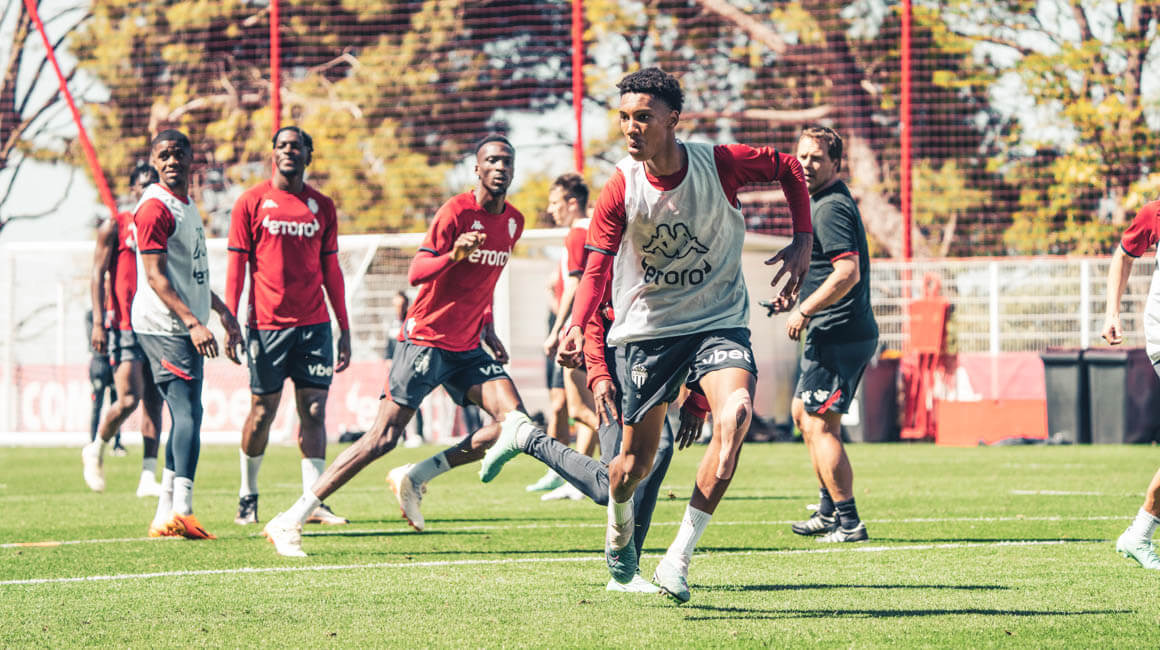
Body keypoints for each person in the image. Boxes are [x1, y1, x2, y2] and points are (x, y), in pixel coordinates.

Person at [556, 67, 813, 603]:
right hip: (649, 331)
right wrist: (578, 325)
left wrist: (803, 238)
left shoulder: (719, 164)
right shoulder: (620, 187)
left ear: (673, 119)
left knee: (736, 415)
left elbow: (789, 167)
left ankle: (677, 559)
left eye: (643, 117)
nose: (631, 128)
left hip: (719, 320)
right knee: (632, 468)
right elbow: (596, 270)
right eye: (624, 118)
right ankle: (619, 528)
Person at [263, 134, 527, 557]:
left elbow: (486, 280)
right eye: (491, 161)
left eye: (506, 161)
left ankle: (416, 475)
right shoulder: (456, 212)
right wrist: (453, 255)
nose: (500, 168)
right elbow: (417, 272)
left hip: (468, 346)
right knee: (382, 438)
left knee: (514, 423)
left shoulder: (514, 221)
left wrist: (489, 326)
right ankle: (291, 518)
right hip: (426, 340)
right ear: (477, 168)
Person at [480, 249, 708, 592]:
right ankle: (528, 438)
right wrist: (599, 373)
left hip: (651, 357)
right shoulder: (613, 235)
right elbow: (591, 306)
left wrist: (699, 393)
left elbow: (697, 315)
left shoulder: (680, 242)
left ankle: (627, 570)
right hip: (615, 357)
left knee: (656, 452)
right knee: (612, 482)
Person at [225, 126, 351, 527]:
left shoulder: (322, 206)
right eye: (281, 146)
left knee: (313, 410)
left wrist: (344, 326)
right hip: (266, 326)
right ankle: (248, 494)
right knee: (262, 412)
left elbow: (332, 270)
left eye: (296, 146)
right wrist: (230, 320)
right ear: (273, 153)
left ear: (308, 155)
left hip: (314, 325)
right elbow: (236, 267)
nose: (288, 151)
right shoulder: (250, 202)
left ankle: (313, 503)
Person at [133, 129, 243, 539]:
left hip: (184, 324)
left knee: (187, 411)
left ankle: (166, 511)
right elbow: (156, 277)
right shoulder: (154, 208)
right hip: (165, 326)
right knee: (188, 414)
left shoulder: (186, 205)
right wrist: (194, 324)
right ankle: (183, 508)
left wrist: (223, 313)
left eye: (178, 153)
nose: (171, 161)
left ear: (191, 158)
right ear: (154, 161)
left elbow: (191, 275)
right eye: (163, 155)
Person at [773, 126, 878, 543]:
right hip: (828, 330)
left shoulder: (830, 206)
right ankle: (828, 510)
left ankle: (849, 522)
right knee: (803, 414)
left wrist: (805, 309)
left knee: (819, 423)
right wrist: (794, 298)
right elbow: (823, 268)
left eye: (817, 157)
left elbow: (847, 272)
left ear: (835, 163)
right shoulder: (818, 201)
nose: (806, 164)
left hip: (839, 332)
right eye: (801, 155)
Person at [82, 163, 165, 496]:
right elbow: (97, 274)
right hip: (125, 325)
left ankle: (147, 477)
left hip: (158, 324)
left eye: (154, 184)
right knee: (129, 399)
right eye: (143, 185)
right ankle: (96, 448)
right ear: (133, 190)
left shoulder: (165, 224)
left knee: (155, 401)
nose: (149, 190)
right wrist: (99, 322)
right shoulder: (116, 226)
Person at [532, 173, 601, 496]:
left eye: (555, 202)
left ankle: (630, 449)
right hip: (594, 328)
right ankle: (580, 478)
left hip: (579, 330)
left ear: (572, 203)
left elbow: (575, 284)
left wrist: (557, 329)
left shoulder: (576, 233)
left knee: (579, 410)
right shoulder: (596, 229)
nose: (551, 209)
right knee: (579, 406)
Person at [1102, 200, 1160, 570]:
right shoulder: (1155, 213)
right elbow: (1123, 256)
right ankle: (1139, 534)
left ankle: (1139, 534)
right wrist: (1112, 313)